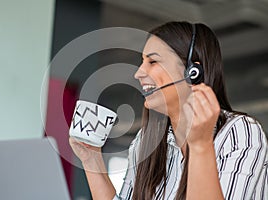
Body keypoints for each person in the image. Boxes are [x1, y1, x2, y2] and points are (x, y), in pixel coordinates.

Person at [69, 21, 268, 200]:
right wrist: (91, 159)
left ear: (192, 72)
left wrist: (200, 145)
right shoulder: (145, 141)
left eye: (153, 61)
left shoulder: (240, 133)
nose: (139, 73)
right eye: (142, 62)